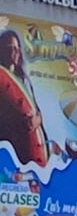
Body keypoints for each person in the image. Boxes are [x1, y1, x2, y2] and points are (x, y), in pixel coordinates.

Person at [0, 26, 49, 165]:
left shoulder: (24, 81)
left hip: (31, 146)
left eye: (16, 49)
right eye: (9, 48)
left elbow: (37, 111)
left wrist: (36, 120)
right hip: (10, 145)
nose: (14, 52)